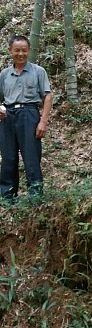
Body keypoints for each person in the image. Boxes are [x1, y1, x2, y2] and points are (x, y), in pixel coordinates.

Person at [0, 35, 52, 202]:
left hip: (29, 115)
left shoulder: (38, 71)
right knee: (8, 158)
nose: (20, 54)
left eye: (24, 50)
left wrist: (42, 121)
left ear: (28, 51)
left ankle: (35, 198)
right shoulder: (4, 74)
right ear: (10, 51)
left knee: (31, 157)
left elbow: (48, 96)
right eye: (17, 50)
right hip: (8, 117)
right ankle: (8, 198)